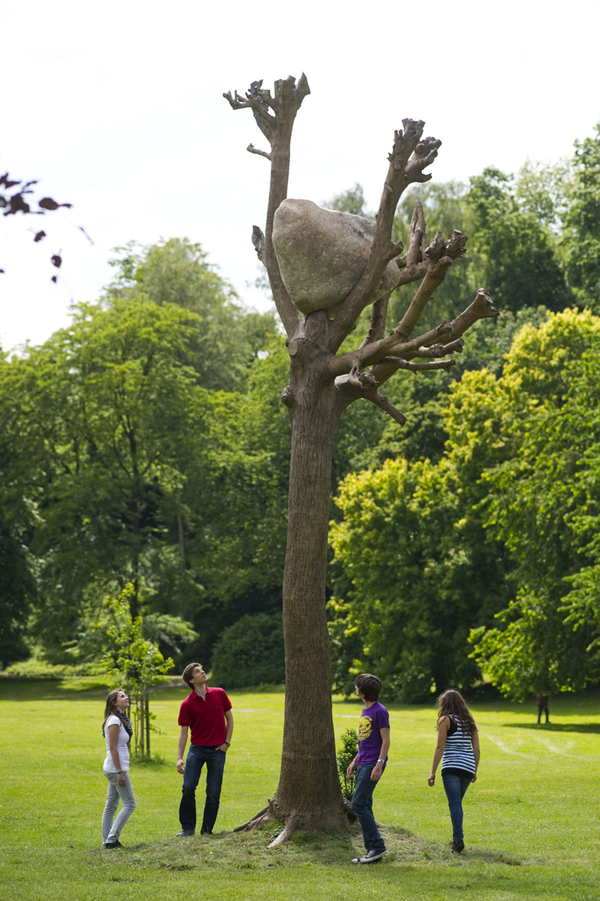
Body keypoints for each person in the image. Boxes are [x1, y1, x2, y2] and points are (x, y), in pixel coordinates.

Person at [176, 662, 233, 836]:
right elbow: (184, 733)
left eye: (201, 669)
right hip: (197, 750)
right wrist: (179, 757)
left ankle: (207, 831)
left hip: (218, 751)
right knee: (188, 786)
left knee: (213, 792)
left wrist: (226, 744)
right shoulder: (187, 704)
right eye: (197, 671)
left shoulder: (219, 693)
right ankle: (187, 828)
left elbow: (229, 720)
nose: (202, 672)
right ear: (191, 680)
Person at [428, 689, 480, 854]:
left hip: (451, 766)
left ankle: (458, 840)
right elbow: (477, 749)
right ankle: (456, 838)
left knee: (455, 804)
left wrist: (433, 772)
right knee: (457, 803)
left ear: (445, 704)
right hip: (468, 767)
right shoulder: (470, 722)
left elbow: (440, 747)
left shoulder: (446, 720)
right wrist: (475, 770)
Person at [346, 673, 390, 864]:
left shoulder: (379, 711)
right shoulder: (366, 709)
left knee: (357, 805)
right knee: (365, 804)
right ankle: (373, 851)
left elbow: (386, 741)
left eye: (357, 685)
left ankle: (378, 846)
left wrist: (379, 765)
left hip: (373, 763)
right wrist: (355, 760)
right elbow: (366, 741)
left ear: (363, 690)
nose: (355, 687)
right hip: (364, 761)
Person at [101, 689, 136, 849]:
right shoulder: (114, 721)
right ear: (114, 703)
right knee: (130, 804)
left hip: (114, 768)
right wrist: (120, 772)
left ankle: (106, 841)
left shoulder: (120, 719)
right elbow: (113, 748)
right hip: (116, 769)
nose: (126, 697)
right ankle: (111, 840)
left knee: (111, 805)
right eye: (122, 696)